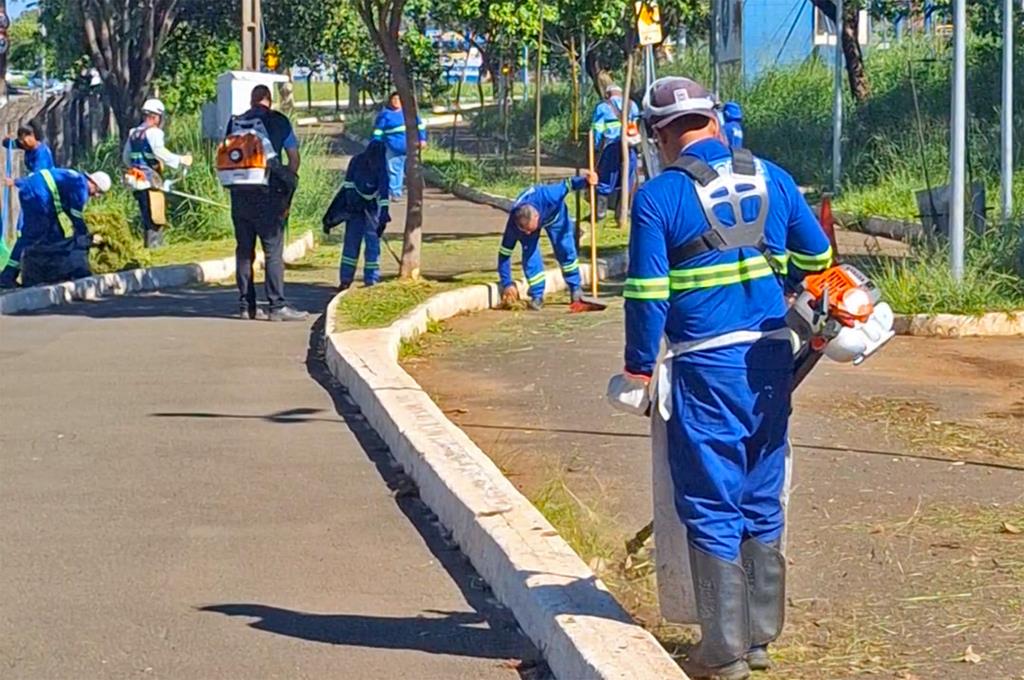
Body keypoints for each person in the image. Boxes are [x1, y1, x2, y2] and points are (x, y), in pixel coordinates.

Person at [608, 77, 833, 680]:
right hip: (772, 360)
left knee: (710, 497)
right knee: (761, 488)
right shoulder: (774, 178)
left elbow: (647, 293)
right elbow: (817, 261)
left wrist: (637, 366)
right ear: (714, 119)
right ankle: (759, 638)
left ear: (658, 135)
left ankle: (722, 650)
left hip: (705, 365)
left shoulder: (659, 197)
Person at [226, 85, 307, 322]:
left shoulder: (235, 122)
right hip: (268, 195)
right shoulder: (279, 121)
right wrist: (288, 183)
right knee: (272, 251)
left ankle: (246, 306)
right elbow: (294, 158)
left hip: (239, 195)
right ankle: (276, 306)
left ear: (251, 101)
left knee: (244, 251)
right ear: (269, 101)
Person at [498, 172, 597, 311]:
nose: (528, 233)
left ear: (536, 216)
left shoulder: (550, 195)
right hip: (531, 218)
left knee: (565, 248)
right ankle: (537, 296)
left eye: (530, 229)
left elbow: (569, 184)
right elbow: (504, 254)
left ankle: (575, 288)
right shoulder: (515, 225)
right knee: (530, 255)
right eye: (525, 230)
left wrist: (586, 181)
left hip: (556, 216)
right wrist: (507, 283)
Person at [0, 168, 112, 288]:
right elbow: (76, 216)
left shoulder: (75, 179)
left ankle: (50, 273)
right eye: (98, 191)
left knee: (55, 234)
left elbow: (68, 209)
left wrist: (18, 182)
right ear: (93, 182)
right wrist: (86, 237)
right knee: (31, 235)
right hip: (38, 196)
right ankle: (7, 276)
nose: (96, 196)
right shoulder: (81, 188)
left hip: (36, 192)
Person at [121, 98, 193, 248]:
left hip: (135, 178)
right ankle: (154, 246)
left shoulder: (134, 133)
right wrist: (181, 160)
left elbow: (126, 158)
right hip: (149, 179)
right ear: (156, 117)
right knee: (155, 214)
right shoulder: (154, 133)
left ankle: (150, 244)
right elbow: (160, 153)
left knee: (146, 213)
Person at [321, 140, 391, 290]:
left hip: (366, 210)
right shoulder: (365, 162)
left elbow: (383, 192)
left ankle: (360, 280)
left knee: (362, 244)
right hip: (358, 210)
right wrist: (356, 201)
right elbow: (350, 184)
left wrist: (383, 215)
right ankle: (358, 280)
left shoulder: (373, 163)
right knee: (360, 245)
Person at [591, 84, 640, 220]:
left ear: (608, 94)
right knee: (628, 179)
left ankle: (600, 213)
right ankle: (622, 213)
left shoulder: (603, 107)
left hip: (611, 147)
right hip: (630, 147)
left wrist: (596, 148)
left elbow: (597, 129)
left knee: (606, 179)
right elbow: (636, 125)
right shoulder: (632, 105)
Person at [372, 92, 426, 201]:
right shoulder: (385, 115)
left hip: (411, 147)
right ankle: (395, 192)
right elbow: (378, 132)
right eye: (394, 99)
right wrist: (376, 143)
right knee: (394, 170)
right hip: (393, 148)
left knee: (412, 169)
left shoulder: (410, 113)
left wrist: (422, 139)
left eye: (399, 99)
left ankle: (415, 191)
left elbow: (420, 126)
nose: (396, 101)